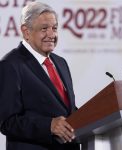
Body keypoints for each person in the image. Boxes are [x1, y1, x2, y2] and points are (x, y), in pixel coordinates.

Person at [0, 1, 80, 150]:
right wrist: (48, 125)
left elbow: (66, 110)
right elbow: (7, 122)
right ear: (26, 31)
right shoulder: (10, 64)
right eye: (44, 29)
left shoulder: (60, 62)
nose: (51, 34)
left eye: (54, 28)